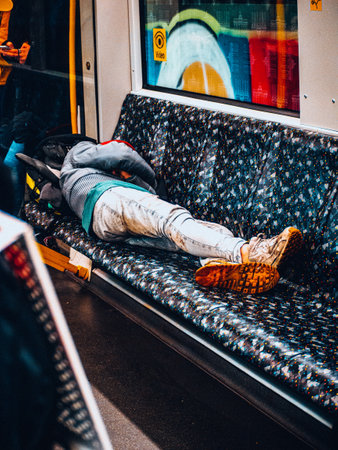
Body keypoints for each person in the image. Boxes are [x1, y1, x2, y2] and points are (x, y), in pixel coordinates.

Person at [60, 139, 303, 294]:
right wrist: (147, 179)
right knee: (173, 220)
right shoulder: (77, 151)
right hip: (108, 198)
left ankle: (218, 265)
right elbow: (122, 153)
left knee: (191, 234)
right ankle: (251, 253)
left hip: (102, 228)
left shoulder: (69, 184)